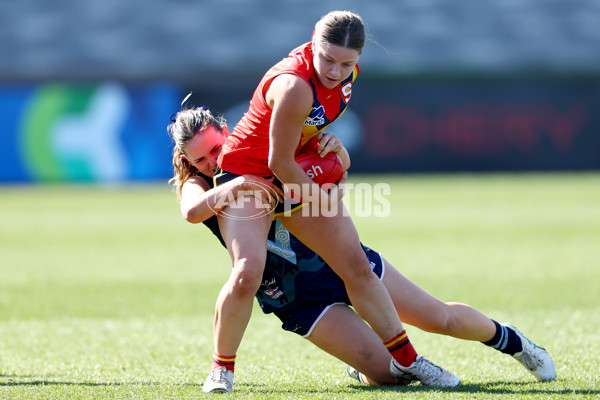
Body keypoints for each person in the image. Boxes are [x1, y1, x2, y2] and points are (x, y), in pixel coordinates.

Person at [167, 106, 557, 392]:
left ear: (226, 130)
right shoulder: (200, 184)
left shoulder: (267, 151)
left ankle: (514, 342)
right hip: (297, 297)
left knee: (441, 319)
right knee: (390, 376)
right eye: (200, 158)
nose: (212, 161)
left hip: (342, 261)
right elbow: (191, 211)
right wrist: (233, 186)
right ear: (187, 160)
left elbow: (334, 175)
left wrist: (337, 152)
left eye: (216, 149)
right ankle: (360, 366)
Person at [202, 10, 459, 393]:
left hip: (288, 176)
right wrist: (324, 194)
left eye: (347, 63)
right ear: (312, 44)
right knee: (247, 273)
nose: (336, 71)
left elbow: (309, 129)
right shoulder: (294, 85)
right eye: (328, 59)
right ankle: (221, 370)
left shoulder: (346, 75)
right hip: (248, 179)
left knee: (356, 265)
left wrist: (329, 147)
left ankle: (412, 362)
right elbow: (278, 162)